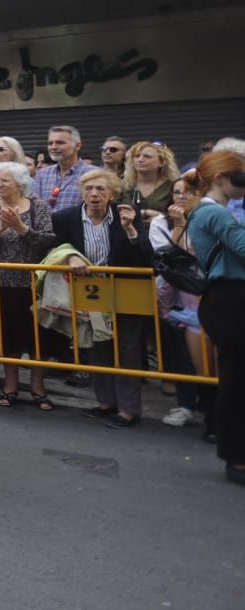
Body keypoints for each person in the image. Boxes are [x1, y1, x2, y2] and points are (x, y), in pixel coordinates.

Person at [54, 169, 152, 428]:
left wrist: (130, 229)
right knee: (96, 345)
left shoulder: (126, 215)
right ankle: (106, 403)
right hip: (89, 290)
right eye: (89, 189)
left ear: (113, 193)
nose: (94, 194)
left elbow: (145, 256)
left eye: (101, 189)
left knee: (128, 349)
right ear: (81, 192)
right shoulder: (66, 218)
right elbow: (53, 247)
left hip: (125, 291)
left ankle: (129, 410)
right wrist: (70, 256)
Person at [0, 161, 56, 408]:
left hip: (31, 283)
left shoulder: (38, 206)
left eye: (5, 180)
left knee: (38, 338)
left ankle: (39, 388)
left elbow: (47, 242)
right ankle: (10, 386)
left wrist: (22, 228)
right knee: (7, 338)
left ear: (20, 183)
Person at [185, 151, 245, 485]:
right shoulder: (214, 214)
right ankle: (236, 458)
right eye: (239, 175)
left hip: (227, 300)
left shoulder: (215, 211)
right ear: (220, 177)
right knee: (237, 382)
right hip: (230, 300)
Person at [150, 178, 210, 428]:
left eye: (188, 192)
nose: (181, 197)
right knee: (183, 359)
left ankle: (213, 414)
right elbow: (165, 258)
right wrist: (179, 226)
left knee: (212, 362)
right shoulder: (160, 222)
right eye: (176, 192)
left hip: (211, 299)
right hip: (176, 302)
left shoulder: (212, 219)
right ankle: (186, 406)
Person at [121, 140, 178, 223]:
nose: (140, 160)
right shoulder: (123, 186)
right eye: (137, 156)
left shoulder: (172, 186)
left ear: (161, 162)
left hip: (161, 233)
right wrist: (145, 213)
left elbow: (181, 214)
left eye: (147, 156)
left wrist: (161, 218)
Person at [41, 125, 95, 213]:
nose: (53, 147)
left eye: (60, 143)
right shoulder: (42, 174)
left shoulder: (93, 174)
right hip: (47, 227)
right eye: (50, 143)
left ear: (77, 146)